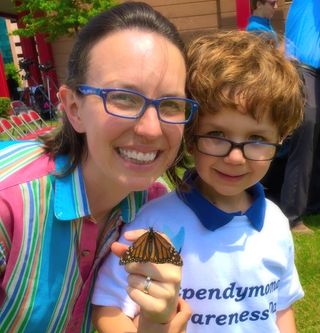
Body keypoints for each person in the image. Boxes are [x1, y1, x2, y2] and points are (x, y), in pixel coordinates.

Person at [0, 2, 199, 332]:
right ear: (74, 109)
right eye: (123, 98)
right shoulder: (9, 205)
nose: (151, 129)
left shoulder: (154, 206)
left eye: (171, 104)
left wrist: (155, 322)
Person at [91, 30, 304, 333]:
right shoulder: (154, 222)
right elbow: (110, 308)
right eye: (217, 135)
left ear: (279, 140)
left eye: (257, 138)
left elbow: (281, 308)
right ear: (190, 138)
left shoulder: (276, 223)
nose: (235, 157)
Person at [276, 0, 320, 233]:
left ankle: (312, 203)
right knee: (305, 137)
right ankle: (292, 216)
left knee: (314, 138)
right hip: (302, 68)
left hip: (313, 71)